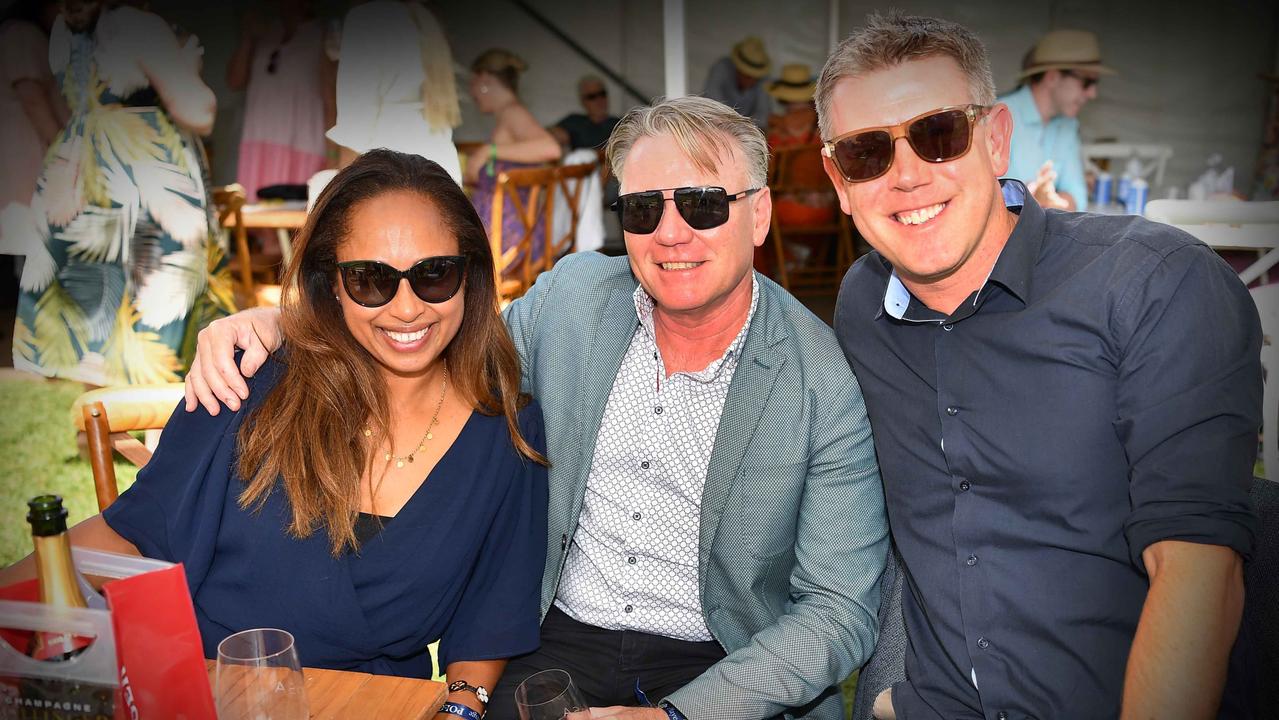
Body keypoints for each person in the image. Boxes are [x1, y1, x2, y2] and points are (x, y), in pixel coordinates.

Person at [183, 96, 889, 720]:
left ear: (758, 212)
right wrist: (284, 322)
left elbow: (838, 611)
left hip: (720, 666)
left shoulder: (822, 379)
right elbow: (430, 334)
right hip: (551, 644)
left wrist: (679, 716)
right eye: (644, 209)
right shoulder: (572, 300)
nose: (671, 233)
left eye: (702, 204)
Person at [815, 12, 1259, 718]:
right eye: (868, 154)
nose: (905, 177)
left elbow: (1198, 567)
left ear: (994, 141)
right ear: (838, 181)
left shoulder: (1154, 283)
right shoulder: (861, 306)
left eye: (938, 136)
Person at [1, 150, 549, 720]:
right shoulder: (251, 382)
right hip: (211, 696)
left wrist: (461, 709)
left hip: (373, 707)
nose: (407, 308)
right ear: (330, 283)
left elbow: (491, 613)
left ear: (470, 274)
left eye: (435, 274)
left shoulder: (506, 434)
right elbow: (138, 532)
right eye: (369, 279)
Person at [11, 0, 233, 385]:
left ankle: (95, 436)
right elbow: (198, 110)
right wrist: (186, 64)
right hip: (145, 179)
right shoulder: (137, 25)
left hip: (81, 177)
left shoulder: (66, 32)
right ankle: (155, 439)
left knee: (99, 325)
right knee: (156, 327)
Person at [326, 0, 462, 181]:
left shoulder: (367, 18)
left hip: (390, 173)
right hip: (442, 169)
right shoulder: (425, 17)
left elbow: (355, 125)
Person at [464, 49, 561, 274]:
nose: (471, 92)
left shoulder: (513, 113)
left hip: (508, 240)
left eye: (472, 84)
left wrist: (489, 151)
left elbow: (550, 148)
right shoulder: (507, 115)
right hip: (506, 233)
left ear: (484, 79)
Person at [225, 0, 333, 203]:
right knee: (257, 219)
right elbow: (234, 81)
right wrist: (247, 36)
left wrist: (333, 156)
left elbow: (330, 98)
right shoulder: (265, 34)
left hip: (303, 146)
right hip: (259, 144)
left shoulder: (324, 34)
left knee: (298, 223)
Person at [998, 29, 1114, 211]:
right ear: (1052, 76)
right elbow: (980, 199)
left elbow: (1077, 197)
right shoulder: (997, 116)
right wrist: (1038, 200)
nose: (1092, 93)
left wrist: (1047, 201)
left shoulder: (1068, 125)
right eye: (1087, 82)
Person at [762, 63, 837, 275]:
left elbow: (767, 176)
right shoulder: (826, 129)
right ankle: (798, 258)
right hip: (828, 213)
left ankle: (772, 274)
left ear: (783, 97)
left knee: (752, 213)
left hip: (788, 214)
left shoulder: (777, 133)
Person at [702, 36, 772, 129]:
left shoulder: (763, 79)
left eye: (754, 76)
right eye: (747, 75)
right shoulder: (722, 68)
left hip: (746, 130)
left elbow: (763, 114)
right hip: (716, 126)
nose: (750, 80)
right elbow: (711, 102)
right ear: (738, 68)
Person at [549, 74, 619, 152]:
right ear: (583, 101)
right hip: (583, 163)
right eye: (592, 96)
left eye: (602, 94)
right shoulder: (575, 121)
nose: (599, 100)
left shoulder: (620, 124)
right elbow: (546, 136)